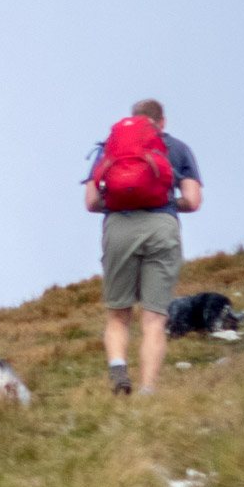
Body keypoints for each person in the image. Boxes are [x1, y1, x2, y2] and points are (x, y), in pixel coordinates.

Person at [83, 99, 202, 395]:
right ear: (162, 122)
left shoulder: (109, 148)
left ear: (132, 120)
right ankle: (147, 391)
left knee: (118, 314)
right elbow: (193, 200)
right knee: (153, 320)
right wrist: (167, 202)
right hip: (161, 227)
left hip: (119, 227)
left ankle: (118, 368)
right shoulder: (177, 148)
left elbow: (91, 202)